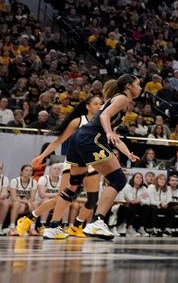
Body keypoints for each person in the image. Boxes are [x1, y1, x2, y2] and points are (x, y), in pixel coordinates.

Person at [42, 75, 141, 240]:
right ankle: (98, 221)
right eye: (138, 85)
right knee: (118, 180)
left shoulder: (117, 99)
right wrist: (108, 132)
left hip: (79, 138)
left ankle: (53, 227)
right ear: (129, 86)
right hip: (91, 139)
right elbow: (104, 117)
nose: (140, 88)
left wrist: (127, 153)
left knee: (74, 186)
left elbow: (113, 133)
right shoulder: (123, 98)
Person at [17, 96, 103, 239]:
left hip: (92, 165)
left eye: (101, 104)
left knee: (93, 200)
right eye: (95, 104)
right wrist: (42, 155)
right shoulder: (78, 121)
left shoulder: (103, 123)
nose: (99, 106)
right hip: (74, 164)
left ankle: (76, 227)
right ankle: (29, 218)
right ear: (88, 106)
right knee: (60, 199)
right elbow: (59, 141)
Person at [7, 165, 38, 236]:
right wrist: (27, 202)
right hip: (14, 203)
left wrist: (28, 202)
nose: (29, 172)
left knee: (35, 204)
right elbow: (14, 198)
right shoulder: (15, 181)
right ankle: (12, 227)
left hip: (25, 204)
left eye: (31, 171)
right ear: (21, 172)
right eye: (26, 170)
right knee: (17, 203)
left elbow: (32, 198)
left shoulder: (34, 182)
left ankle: (32, 228)